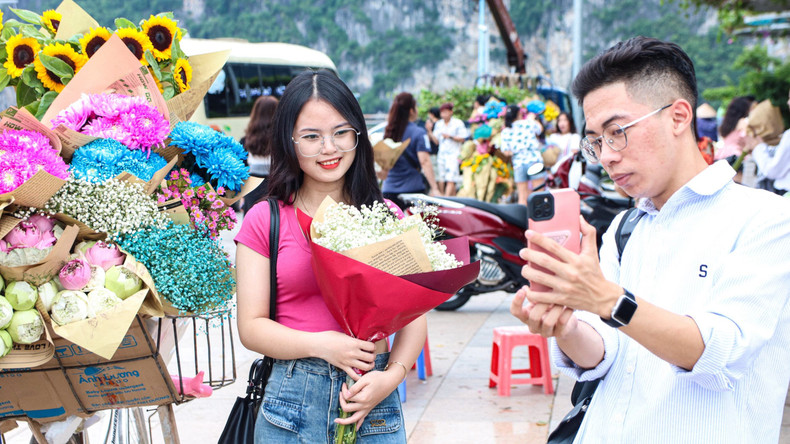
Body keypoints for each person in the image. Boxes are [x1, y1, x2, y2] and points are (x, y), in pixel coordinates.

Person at [511, 36, 790, 443]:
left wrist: (607, 298)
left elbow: (722, 351)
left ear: (679, 117)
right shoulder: (627, 227)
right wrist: (566, 326)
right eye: (596, 140)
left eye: (617, 131)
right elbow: (604, 352)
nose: (606, 155)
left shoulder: (765, 218)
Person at [235, 70, 426, 442]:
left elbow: (414, 318)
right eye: (311, 136)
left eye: (341, 132)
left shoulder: (387, 216)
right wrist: (322, 344)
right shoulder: (266, 219)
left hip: (372, 401)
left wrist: (391, 377)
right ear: (288, 142)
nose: (329, 148)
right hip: (290, 405)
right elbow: (251, 326)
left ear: (358, 134)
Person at [380, 92, 439, 209]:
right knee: (414, 227)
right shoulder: (419, 133)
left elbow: (383, 169)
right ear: (411, 111)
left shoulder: (389, 132)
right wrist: (435, 188)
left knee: (392, 226)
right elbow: (425, 162)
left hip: (389, 191)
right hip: (412, 191)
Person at [240, 95, 278, 214]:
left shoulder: (245, 142)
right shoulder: (282, 141)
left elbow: (241, 173)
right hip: (277, 193)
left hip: (252, 194)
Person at [499, 105, 544, 205]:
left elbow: (506, 152)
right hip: (534, 160)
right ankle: (540, 220)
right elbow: (540, 129)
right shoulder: (528, 123)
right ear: (519, 113)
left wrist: (517, 151)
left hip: (518, 163)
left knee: (522, 197)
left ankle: (523, 219)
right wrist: (533, 119)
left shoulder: (505, 131)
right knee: (539, 194)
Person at [429, 102, 467, 196]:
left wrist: (450, 137)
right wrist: (429, 131)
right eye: (442, 112)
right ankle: (445, 197)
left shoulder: (457, 123)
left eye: (446, 112)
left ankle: (445, 199)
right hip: (442, 154)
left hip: (453, 154)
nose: (444, 114)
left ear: (451, 112)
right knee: (442, 178)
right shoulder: (439, 124)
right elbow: (436, 141)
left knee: (451, 179)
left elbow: (463, 138)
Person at [715, 95, 756, 161]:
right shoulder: (743, 122)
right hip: (736, 155)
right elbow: (749, 141)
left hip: (722, 154)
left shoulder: (728, 122)